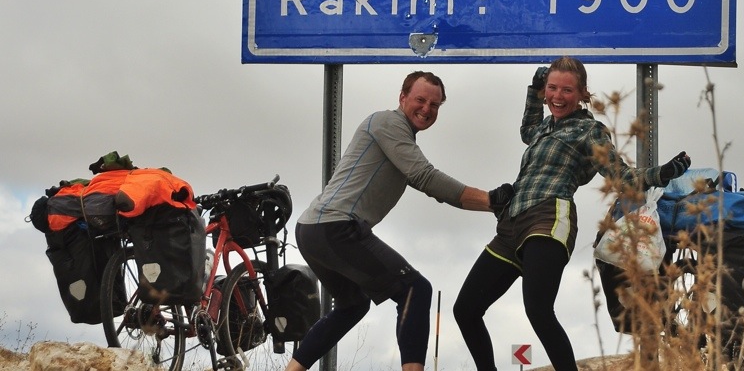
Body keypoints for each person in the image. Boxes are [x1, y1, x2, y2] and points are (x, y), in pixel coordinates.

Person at [453, 57, 691, 371]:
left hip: (549, 216)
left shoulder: (589, 130)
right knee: (465, 310)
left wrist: (659, 175)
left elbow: (621, 176)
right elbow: (527, 130)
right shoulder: (544, 127)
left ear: (581, 93)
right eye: (552, 88)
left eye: (567, 90)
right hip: (511, 224)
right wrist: (533, 90)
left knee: (538, 310)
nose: (558, 96)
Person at [284, 71, 495, 371]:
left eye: (435, 105)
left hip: (313, 230)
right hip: (335, 227)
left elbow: (433, 188)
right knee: (415, 290)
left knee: (353, 305)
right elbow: (426, 177)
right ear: (402, 97)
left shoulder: (401, 139)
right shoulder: (387, 123)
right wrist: (492, 200)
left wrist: (491, 205)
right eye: (420, 100)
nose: (426, 109)